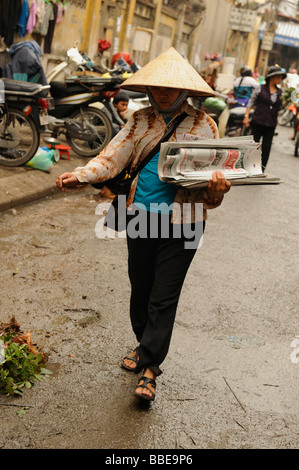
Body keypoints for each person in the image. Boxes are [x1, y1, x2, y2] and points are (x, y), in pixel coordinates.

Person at [56, 47, 231, 403]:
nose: (163, 93)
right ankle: (143, 344)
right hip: (139, 216)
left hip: (184, 223)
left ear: (185, 90)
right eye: (157, 87)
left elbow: (215, 184)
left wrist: (218, 190)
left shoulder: (204, 125)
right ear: (148, 89)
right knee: (141, 289)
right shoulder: (138, 120)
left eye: (170, 88)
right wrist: (80, 174)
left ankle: (150, 369)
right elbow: (112, 156)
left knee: (164, 297)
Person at [243, 65, 286, 172]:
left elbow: (280, 108)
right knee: (253, 147)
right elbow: (251, 102)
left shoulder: (281, 93)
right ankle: (248, 168)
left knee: (266, 149)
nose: (280, 79)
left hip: (270, 124)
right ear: (272, 77)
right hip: (257, 122)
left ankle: (260, 170)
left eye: (281, 77)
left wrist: (286, 103)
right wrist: (246, 117)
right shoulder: (260, 88)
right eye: (278, 77)